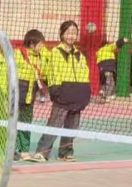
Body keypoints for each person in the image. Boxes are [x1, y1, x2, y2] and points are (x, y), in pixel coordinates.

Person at [31, 20, 90, 162]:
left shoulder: (80, 55)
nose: (71, 36)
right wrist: (56, 90)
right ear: (62, 34)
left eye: (74, 33)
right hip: (62, 93)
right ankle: (42, 152)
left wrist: (85, 91)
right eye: (68, 33)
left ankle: (65, 152)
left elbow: (84, 73)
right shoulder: (56, 53)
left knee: (72, 126)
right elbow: (53, 72)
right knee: (54, 124)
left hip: (77, 94)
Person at [14, 29, 48, 160]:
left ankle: (24, 150)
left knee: (26, 122)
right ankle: (12, 150)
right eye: (40, 44)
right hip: (17, 92)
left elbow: (43, 73)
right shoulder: (18, 53)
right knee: (12, 123)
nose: (42, 47)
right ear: (32, 43)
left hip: (30, 93)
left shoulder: (40, 56)